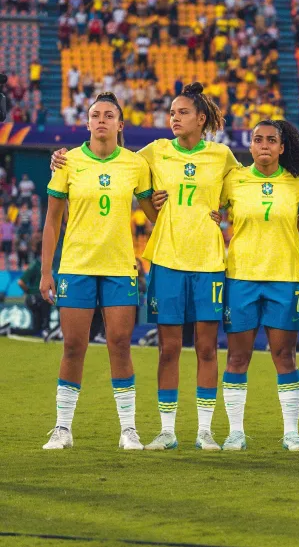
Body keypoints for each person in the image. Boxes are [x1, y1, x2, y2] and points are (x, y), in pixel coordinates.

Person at [55, 82, 241, 450]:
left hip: (208, 260)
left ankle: (205, 431)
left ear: (201, 118)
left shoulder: (222, 156)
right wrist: (60, 159)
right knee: (168, 349)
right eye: (171, 112)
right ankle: (167, 430)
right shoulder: (151, 154)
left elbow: (245, 188)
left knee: (206, 348)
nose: (173, 118)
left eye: (182, 113)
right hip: (166, 260)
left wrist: (227, 213)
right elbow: (111, 160)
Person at [40, 92, 157, 450]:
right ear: (87, 123)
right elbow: (52, 220)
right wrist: (47, 271)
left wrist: (165, 203)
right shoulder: (68, 162)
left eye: (109, 115)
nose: (102, 120)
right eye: (96, 114)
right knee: (74, 346)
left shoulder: (135, 165)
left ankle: (129, 430)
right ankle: (62, 429)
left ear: (120, 124)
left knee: (120, 344)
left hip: (120, 267)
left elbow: (154, 215)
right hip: (76, 266)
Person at [217, 119, 299, 451]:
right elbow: (206, 205)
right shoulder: (233, 181)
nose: (264, 145)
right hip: (241, 277)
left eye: (271, 140)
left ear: (281, 147)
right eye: (258, 139)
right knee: (237, 357)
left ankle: (291, 433)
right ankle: (235, 432)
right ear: (250, 146)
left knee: (284, 355)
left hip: (284, 277)